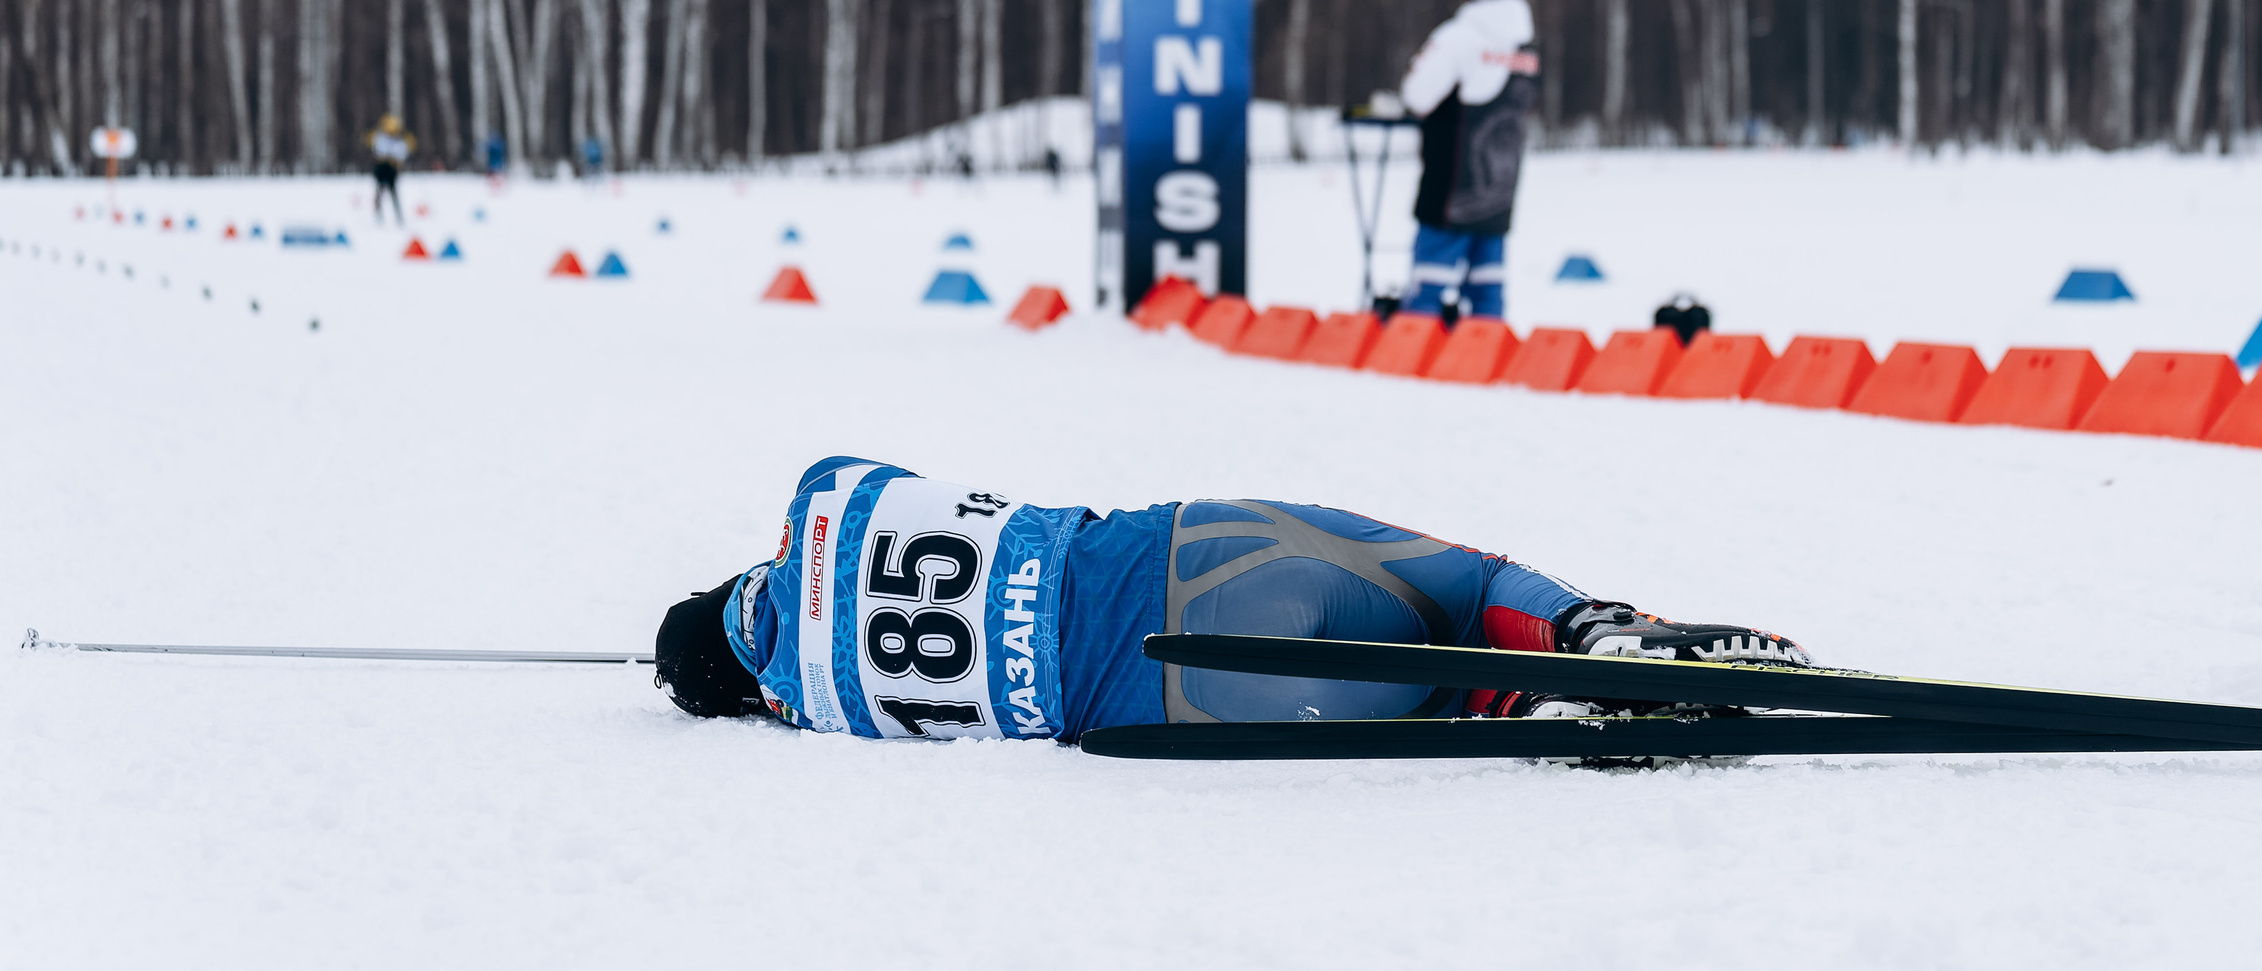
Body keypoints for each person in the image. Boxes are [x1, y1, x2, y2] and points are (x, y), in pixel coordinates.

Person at [653, 455, 1808, 740]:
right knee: (1466, 584)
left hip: (1175, 693)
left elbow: (784, 689)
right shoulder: (827, 492)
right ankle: (1592, 633)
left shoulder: (819, 704)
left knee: (1434, 691)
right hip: (1210, 546)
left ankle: (1536, 703)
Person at [1397, 0, 1538, 323]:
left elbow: (1418, 94)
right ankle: (1486, 348)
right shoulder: (1525, 41)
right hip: (1500, 181)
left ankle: (1417, 338)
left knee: (1433, 273)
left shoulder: (1460, 36)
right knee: (1487, 281)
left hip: (1452, 176)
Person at [368, 114, 413, 226]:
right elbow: (375, 146)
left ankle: (398, 217)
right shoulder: (380, 137)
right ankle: (378, 217)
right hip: (382, 169)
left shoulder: (400, 140)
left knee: (393, 194)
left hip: (391, 171)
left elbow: (403, 153)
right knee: (379, 193)